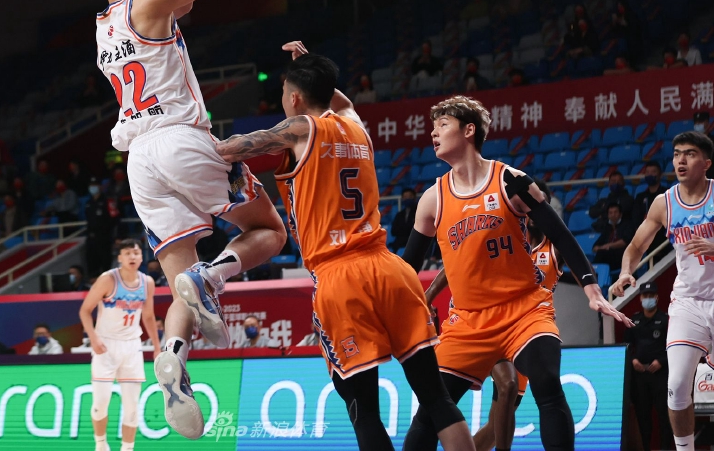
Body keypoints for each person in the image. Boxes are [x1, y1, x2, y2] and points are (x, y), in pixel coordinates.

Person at [80, 0, 287, 440]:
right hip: (179, 139)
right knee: (269, 231)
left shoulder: (104, 29)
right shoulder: (147, 3)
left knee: (180, 286)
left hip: (139, 163)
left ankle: (171, 361)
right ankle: (213, 275)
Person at [215, 44, 474, 451]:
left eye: (284, 91)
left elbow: (230, 148)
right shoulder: (355, 125)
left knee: (364, 411)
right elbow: (345, 102)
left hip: (339, 275)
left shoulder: (299, 129)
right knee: (436, 398)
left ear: (295, 98)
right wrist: (311, 69)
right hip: (389, 267)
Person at [402, 95, 630, 451]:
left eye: (442, 125)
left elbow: (561, 235)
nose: (433, 133)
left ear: (469, 131)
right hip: (468, 321)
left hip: (524, 310)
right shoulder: (432, 199)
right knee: (430, 414)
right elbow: (407, 268)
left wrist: (591, 288)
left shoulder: (511, 181)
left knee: (547, 384)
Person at [611, 131, 714, 451]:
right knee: (676, 385)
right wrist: (626, 270)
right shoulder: (664, 203)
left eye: (689, 154)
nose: (681, 160)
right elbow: (636, 246)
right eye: (676, 154)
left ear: (707, 163)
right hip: (689, 302)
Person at [424, 183, 562, 451]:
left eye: (539, 204)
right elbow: (455, 263)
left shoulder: (555, 247)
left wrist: (598, 290)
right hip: (486, 320)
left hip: (525, 329)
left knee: (497, 422)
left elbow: (584, 267)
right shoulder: (501, 230)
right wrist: (427, 297)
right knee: (507, 384)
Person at [79, 239, 160, 451]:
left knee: (132, 407)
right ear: (120, 258)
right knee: (100, 403)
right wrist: (93, 338)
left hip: (132, 346)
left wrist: (157, 346)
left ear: (142, 257)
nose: (132, 257)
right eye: (127, 253)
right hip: (105, 345)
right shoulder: (108, 279)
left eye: (136, 253)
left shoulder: (147, 282)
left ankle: (128, 448)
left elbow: (148, 316)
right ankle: (100, 445)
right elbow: (85, 310)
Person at [625, 281, 672, 451]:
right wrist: (633, 361)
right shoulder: (634, 320)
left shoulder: (666, 320)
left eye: (651, 295)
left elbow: (673, 346)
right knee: (643, 416)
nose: (648, 298)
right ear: (640, 298)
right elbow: (627, 345)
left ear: (657, 297)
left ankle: (665, 448)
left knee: (664, 415)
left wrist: (661, 361)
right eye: (645, 295)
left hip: (660, 374)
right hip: (640, 376)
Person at [633, 161, 669, 251]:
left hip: (663, 236)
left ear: (660, 175)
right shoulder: (640, 197)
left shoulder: (667, 194)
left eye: (653, 172)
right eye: (647, 172)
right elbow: (636, 218)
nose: (650, 175)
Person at [86, 178, 117, 278]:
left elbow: (115, 219)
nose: (93, 187)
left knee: (105, 262)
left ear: (100, 186)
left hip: (104, 237)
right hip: (91, 238)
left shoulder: (108, 201)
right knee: (92, 262)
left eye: (95, 185)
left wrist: (115, 236)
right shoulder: (88, 203)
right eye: (91, 185)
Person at [592, 203, 634, 271]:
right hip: (607, 256)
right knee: (600, 254)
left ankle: (591, 273)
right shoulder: (607, 227)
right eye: (610, 213)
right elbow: (595, 246)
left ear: (620, 214)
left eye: (615, 212)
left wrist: (608, 246)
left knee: (601, 254)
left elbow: (624, 242)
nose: (613, 215)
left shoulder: (628, 225)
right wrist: (599, 248)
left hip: (622, 257)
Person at [390, 188, 418, 253]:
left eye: (410, 196)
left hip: (414, 240)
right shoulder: (399, 215)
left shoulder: (419, 212)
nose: (407, 198)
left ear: (414, 197)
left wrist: (403, 228)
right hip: (400, 241)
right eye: (405, 197)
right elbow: (393, 231)